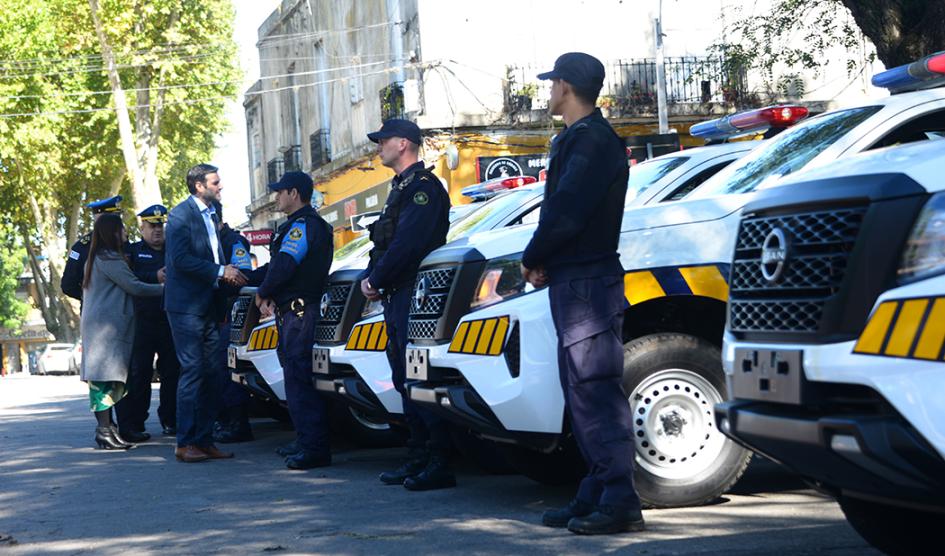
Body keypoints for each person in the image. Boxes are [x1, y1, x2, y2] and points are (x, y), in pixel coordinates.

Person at [521, 52, 644, 535]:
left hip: (588, 284)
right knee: (580, 391)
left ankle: (619, 500)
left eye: (551, 82)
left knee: (594, 391)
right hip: (578, 281)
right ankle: (597, 489)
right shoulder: (578, 138)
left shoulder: (591, 140)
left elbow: (567, 210)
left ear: (566, 86)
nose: (548, 91)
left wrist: (534, 255)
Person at [360, 119, 453, 491]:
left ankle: (439, 460)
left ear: (403, 143)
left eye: (383, 141)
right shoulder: (399, 188)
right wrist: (373, 277)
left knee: (419, 378)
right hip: (398, 294)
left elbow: (409, 245)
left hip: (417, 294)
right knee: (403, 377)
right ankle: (417, 455)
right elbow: (383, 242)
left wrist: (377, 279)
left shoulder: (423, 189)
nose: (378, 147)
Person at [165, 164, 248, 463]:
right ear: (199, 186)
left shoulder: (212, 214)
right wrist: (220, 271)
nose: (220, 186)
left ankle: (204, 439)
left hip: (209, 304)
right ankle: (184, 442)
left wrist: (226, 275)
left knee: (214, 372)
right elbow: (181, 259)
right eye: (215, 182)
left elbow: (215, 255)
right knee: (192, 370)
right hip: (185, 307)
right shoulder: (179, 215)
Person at [254, 172, 334, 469]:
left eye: (280, 192)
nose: (276, 198)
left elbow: (285, 265)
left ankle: (314, 447)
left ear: (295, 193)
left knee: (300, 378)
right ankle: (304, 440)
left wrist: (262, 292)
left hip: (300, 313)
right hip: (293, 311)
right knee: (294, 377)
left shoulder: (303, 227)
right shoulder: (298, 226)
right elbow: (277, 266)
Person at [79, 213, 163, 450]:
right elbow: (134, 286)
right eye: (122, 229)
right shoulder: (109, 259)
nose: (126, 233)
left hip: (101, 327)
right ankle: (104, 431)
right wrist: (166, 289)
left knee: (108, 380)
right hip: (106, 329)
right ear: (112, 232)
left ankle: (107, 430)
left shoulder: (98, 257)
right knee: (104, 381)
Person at [115, 205, 181, 442]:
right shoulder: (132, 251)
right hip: (141, 322)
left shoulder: (173, 249)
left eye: (160, 226)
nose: (157, 231)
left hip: (169, 320)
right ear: (141, 227)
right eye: (151, 226)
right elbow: (127, 279)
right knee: (139, 373)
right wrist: (155, 277)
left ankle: (170, 420)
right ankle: (136, 422)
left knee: (172, 372)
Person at [211, 200, 256, 444]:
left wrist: (217, 279)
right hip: (218, 313)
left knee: (228, 368)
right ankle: (225, 419)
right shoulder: (213, 241)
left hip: (232, 311)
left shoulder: (232, 242)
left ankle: (238, 423)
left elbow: (242, 277)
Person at [61, 195, 123, 301]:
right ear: (100, 219)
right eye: (113, 217)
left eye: (118, 217)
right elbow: (68, 285)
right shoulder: (81, 247)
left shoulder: (122, 242)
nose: (117, 222)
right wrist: (91, 297)